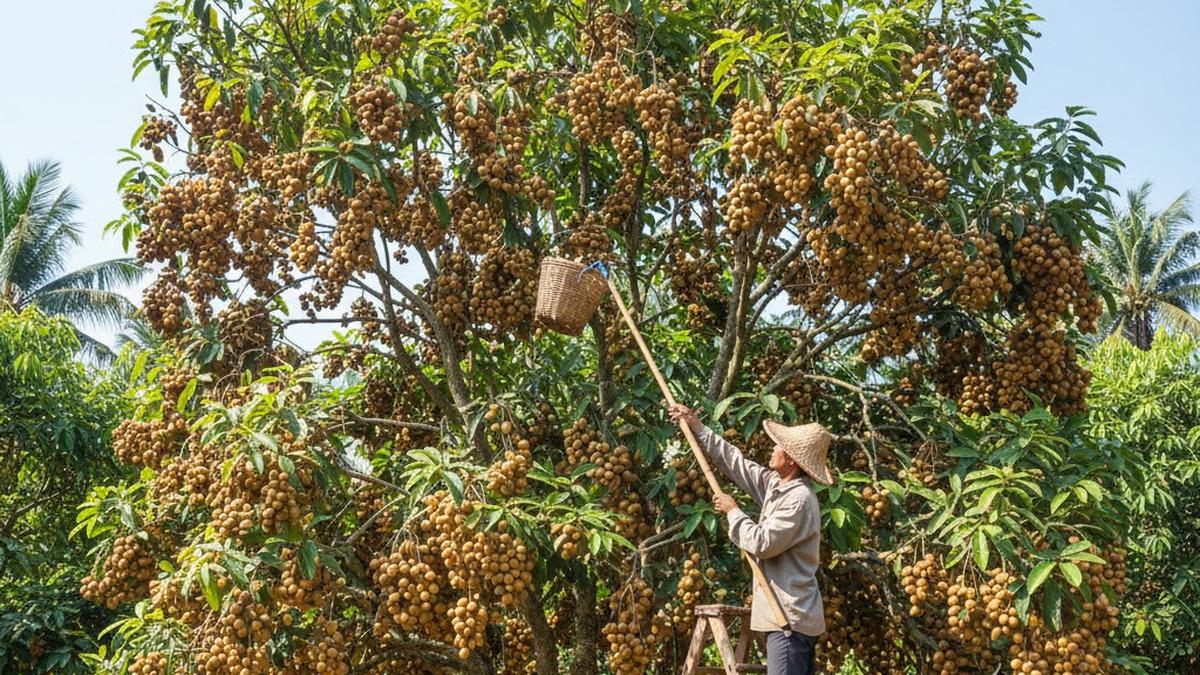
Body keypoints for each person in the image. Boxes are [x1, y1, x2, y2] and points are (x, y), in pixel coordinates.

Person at [667, 403, 834, 675]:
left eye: (779, 446)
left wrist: (733, 512)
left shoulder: (798, 499)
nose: (773, 448)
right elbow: (736, 464)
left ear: (791, 460)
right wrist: (696, 425)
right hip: (786, 618)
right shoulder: (777, 485)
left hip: (789, 619)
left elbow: (763, 544)